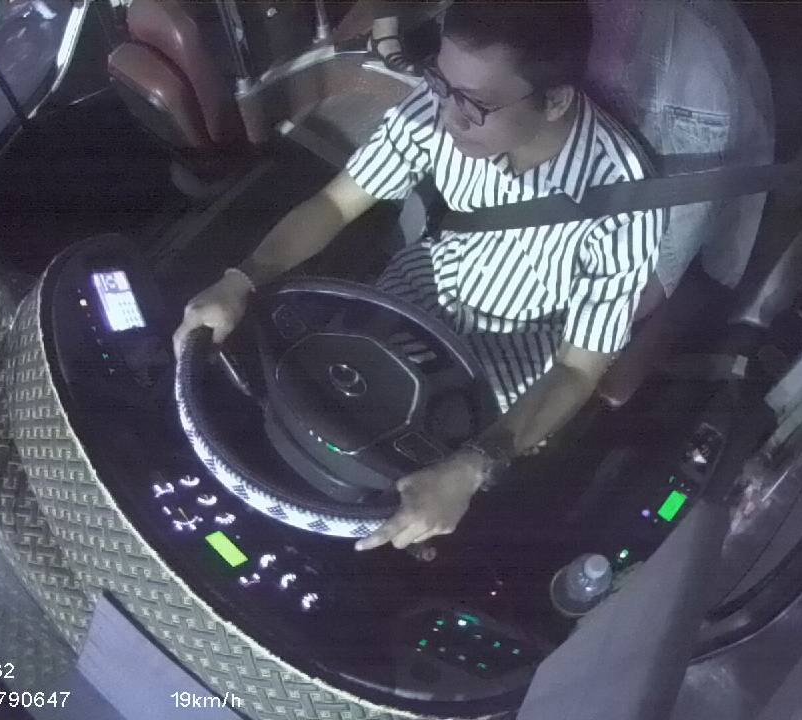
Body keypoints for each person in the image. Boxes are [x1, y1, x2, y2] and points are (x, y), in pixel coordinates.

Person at [173, 0, 663, 552]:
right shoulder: (443, 104)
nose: (450, 116)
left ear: (555, 100)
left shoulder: (625, 204)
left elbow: (577, 367)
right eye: (442, 83)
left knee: (395, 503)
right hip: (407, 299)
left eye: (476, 104)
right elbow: (336, 204)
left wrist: (472, 466)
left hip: (504, 363)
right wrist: (239, 281)